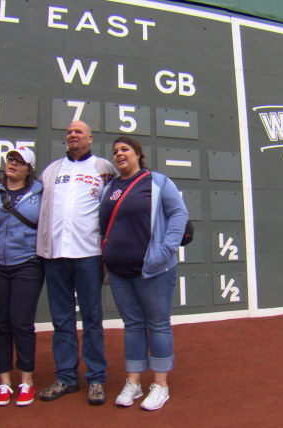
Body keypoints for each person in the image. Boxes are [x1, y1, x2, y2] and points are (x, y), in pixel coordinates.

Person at [99, 136, 188, 411]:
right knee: (133, 325)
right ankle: (133, 382)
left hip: (154, 269)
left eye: (125, 149)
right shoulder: (110, 187)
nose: (119, 154)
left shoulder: (158, 181)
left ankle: (160, 385)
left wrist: (164, 250)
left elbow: (178, 213)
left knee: (158, 324)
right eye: (115, 151)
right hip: (119, 270)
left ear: (138, 154)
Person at [36, 120, 117, 405]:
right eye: (69, 132)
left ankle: (95, 378)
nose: (72, 135)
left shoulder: (104, 169)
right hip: (55, 255)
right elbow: (30, 199)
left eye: (78, 132)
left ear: (90, 138)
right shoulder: (52, 170)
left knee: (93, 320)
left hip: (89, 255)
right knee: (61, 320)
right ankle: (66, 377)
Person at [0, 147, 45, 407]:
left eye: (20, 161)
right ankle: (4, 382)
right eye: (10, 159)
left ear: (29, 168)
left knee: (22, 323)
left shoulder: (41, 193)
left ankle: (26, 381)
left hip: (28, 263)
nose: (13, 164)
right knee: (2, 324)